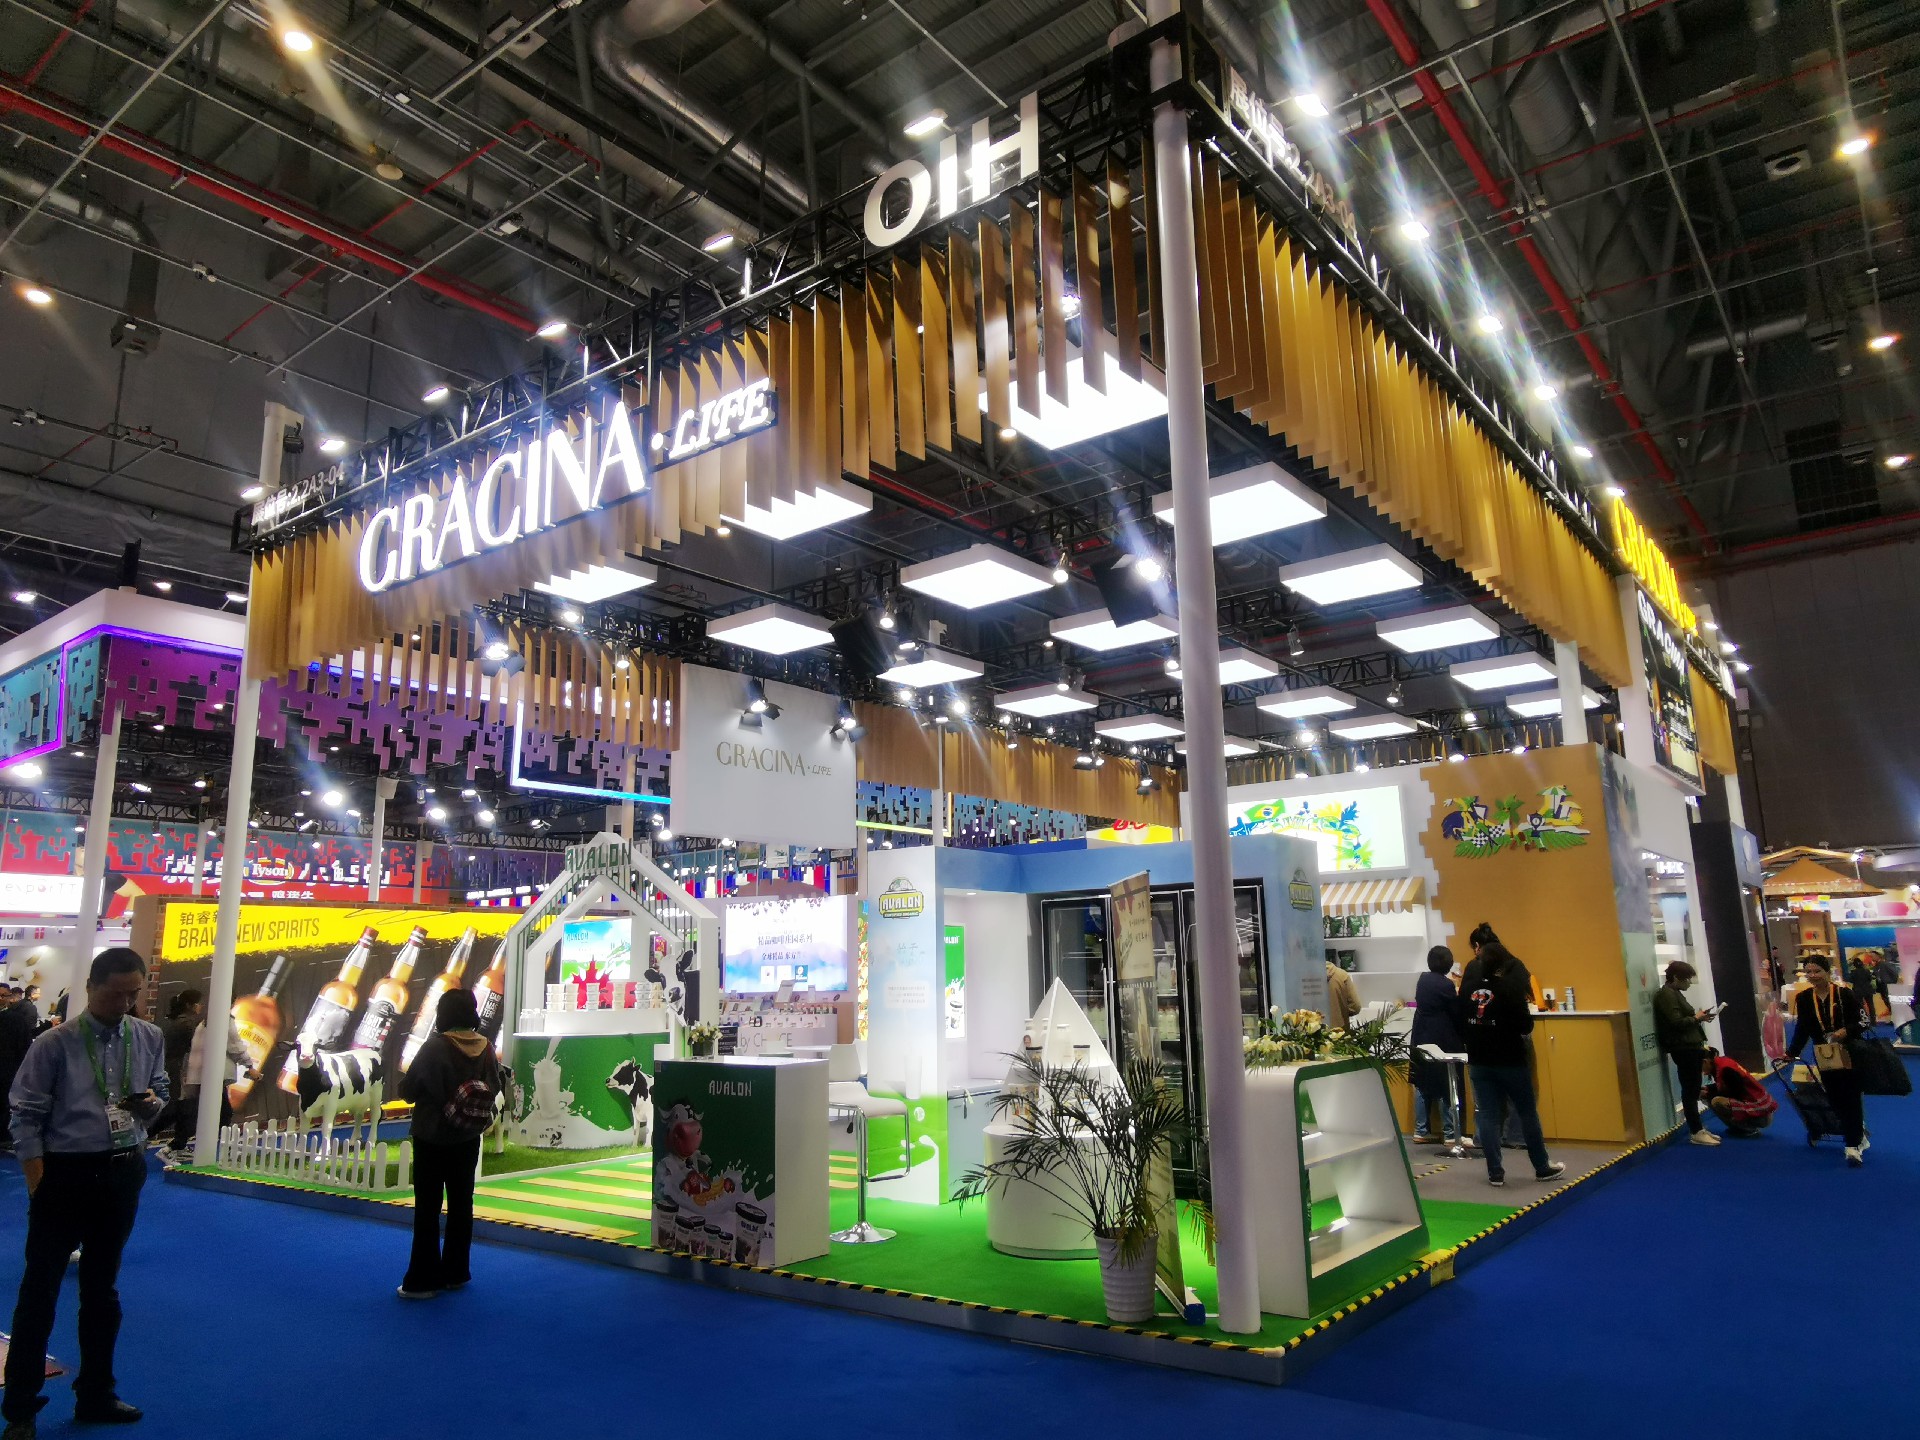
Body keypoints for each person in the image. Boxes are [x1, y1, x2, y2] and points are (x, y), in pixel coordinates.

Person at [3, 948, 167, 1436]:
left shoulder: (149, 1036)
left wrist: (151, 1103)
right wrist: (39, 1182)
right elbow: (25, 1117)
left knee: (102, 1289)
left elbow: (161, 1092)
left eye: (133, 994)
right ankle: (21, 1410)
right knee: (40, 1293)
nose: (125, 1003)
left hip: (123, 1171)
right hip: (65, 1175)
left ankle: (96, 1394)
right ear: (91, 987)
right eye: (115, 994)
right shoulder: (54, 1044)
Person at [397, 989, 504, 1299]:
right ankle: (456, 1272)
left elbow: (408, 1090)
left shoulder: (435, 1047)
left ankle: (422, 1281)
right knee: (461, 1205)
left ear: (443, 1013)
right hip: (467, 1138)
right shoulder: (486, 1047)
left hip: (431, 1137)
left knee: (427, 1209)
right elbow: (495, 1085)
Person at [1459, 941, 1565, 1188]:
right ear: (1501, 965)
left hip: (1479, 1060)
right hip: (1510, 1060)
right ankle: (1542, 1167)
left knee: (1488, 1114)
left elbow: (1460, 1022)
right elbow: (1525, 1025)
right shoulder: (1509, 989)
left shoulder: (1467, 990)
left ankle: (1495, 1172)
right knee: (1527, 1112)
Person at [1783, 954, 1869, 1166]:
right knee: (1834, 1098)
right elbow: (1802, 1029)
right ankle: (1857, 1131)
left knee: (1851, 1096)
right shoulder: (1804, 998)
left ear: (1827, 972)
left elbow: (1864, 1021)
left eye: (1817, 971)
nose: (1813, 975)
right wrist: (1792, 1052)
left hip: (1848, 1052)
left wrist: (1845, 1031)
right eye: (1809, 972)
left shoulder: (1844, 994)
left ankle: (1852, 1145)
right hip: (1824, 1054)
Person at [1653, 961, 1720, 1147]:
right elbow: (1676, 1023)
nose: (1690, 983)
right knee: (1690, 1090)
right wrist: (1696, 1018)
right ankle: (1695, 1131)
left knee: (1693, 1088)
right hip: (1683, 1049)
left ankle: (1698, 1129)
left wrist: (1699, 1018)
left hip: (1690, 1046)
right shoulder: (1666, 995)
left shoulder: (1674, 993)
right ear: (1676, 978)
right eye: (1687, 979)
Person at [1409, 946, 1463, 1145]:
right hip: (1442, 1037)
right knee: (1446, 1082)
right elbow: (1456, 1011)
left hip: (1420, 1035)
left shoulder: (1423, 980)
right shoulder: (1446, 985)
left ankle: (1420, 1130)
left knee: (1422, 1082)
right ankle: (1450, 1133)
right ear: (1448, 963)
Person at [1700, 1048, 1776, 1137]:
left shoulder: (1726, 1070)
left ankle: (1747, 1129)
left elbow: (1735, 1094)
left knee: (1716, 1101)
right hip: (1761, 1109)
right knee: (1709, 1095)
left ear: (1705, 1062)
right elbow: (1726, 1086)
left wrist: (1709, 1094)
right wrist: (1708, 1089)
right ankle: (1741, 1127)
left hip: (1761, 1113)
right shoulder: (1721, 1063)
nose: (1701, 1071)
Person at [0, 989, 35, 1154]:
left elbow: (24, 1047)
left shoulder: (15, 1020)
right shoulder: (16, 1019)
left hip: (8, 1071)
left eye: (4, 995)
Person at [1323, 958, 1360, 1033]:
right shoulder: (1342, 975)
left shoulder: (1302, 975)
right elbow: (1355, 1006)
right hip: (1339, 1032)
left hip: (1310, 1035)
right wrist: (1340, 1012)